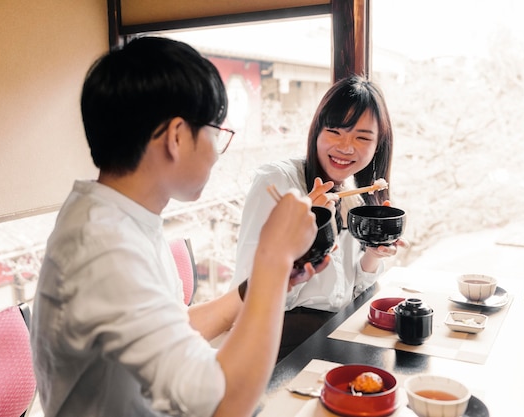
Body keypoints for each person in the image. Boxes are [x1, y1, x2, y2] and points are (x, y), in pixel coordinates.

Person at [29, 36, 328, 417]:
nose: (218, 151)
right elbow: (226, 403)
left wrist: (260, 285)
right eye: (216, 132)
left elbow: (173, 329)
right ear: (176, 136)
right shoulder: (103, 247)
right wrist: (272, 257)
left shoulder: (117, 216)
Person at [229, 74, 408, 360]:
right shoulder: (278, 182)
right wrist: (301, 234)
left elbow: (346, 292)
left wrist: (374, 254)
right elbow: (247, 291)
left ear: (378, 145)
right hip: (276, 342)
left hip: (336, 335)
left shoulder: (353, 196)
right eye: (335, 131)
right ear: (316, 132)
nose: (346, 147)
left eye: (362, 137)